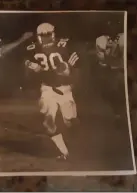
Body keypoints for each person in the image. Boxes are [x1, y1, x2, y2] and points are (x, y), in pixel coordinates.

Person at [24, 23, 80, 159]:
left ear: (53, 34)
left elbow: (77, 67)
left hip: (65, 88)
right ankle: (64, 152)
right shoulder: (32, 49)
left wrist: (67, 70)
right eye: (43, 36)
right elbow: (26, 64)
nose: (46, 39)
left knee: (70, 121)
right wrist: (31, 66)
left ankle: (77, 142)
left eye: (48, 35)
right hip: (47, 89)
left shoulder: (65, 45)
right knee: (48, 123)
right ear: (39, 37)